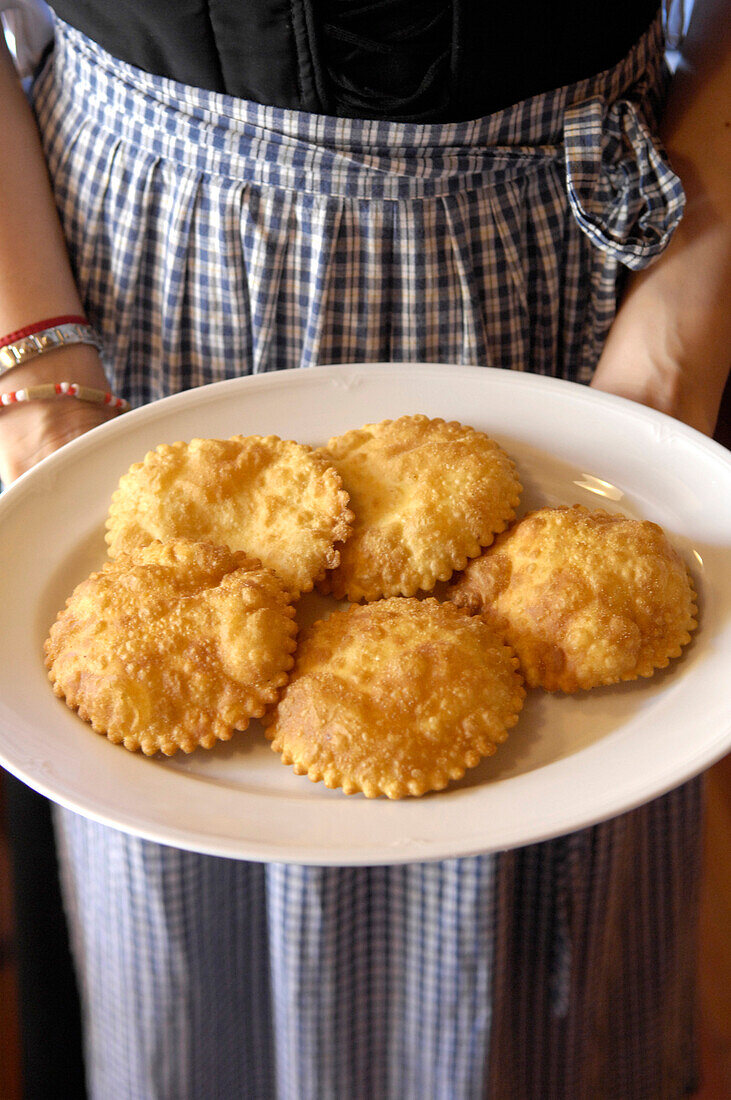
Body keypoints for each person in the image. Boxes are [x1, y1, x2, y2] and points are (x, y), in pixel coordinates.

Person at [0, 1, 728, 1096]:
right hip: (134, 290)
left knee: (557, 844)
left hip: (575, 279)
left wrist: (674, 336)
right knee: (182, 849)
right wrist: (34, 387)